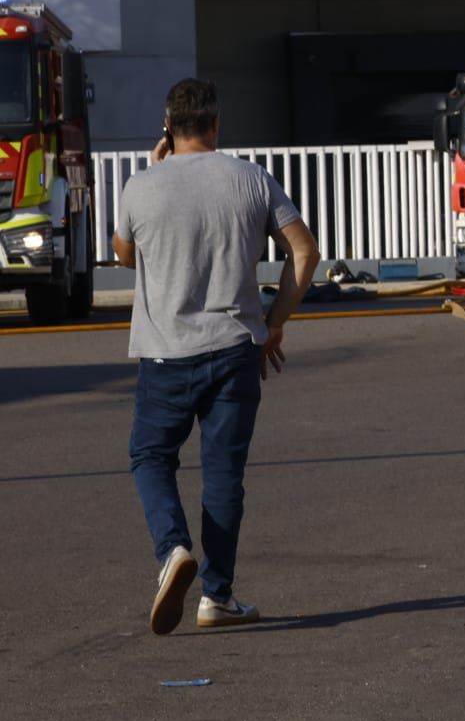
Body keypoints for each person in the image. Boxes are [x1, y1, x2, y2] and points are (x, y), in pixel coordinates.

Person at [111, 79, 320, 635]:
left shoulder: (140, 187)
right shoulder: (251, 178)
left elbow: (126, 255)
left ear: (167, 126)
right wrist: (274, 324)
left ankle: (173, 549)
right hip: (234, 350)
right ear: (215, 124)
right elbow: (305, 251)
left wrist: (156, 169)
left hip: (164, 355)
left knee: (151, 456)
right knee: (225, 476)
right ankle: (217, 596)